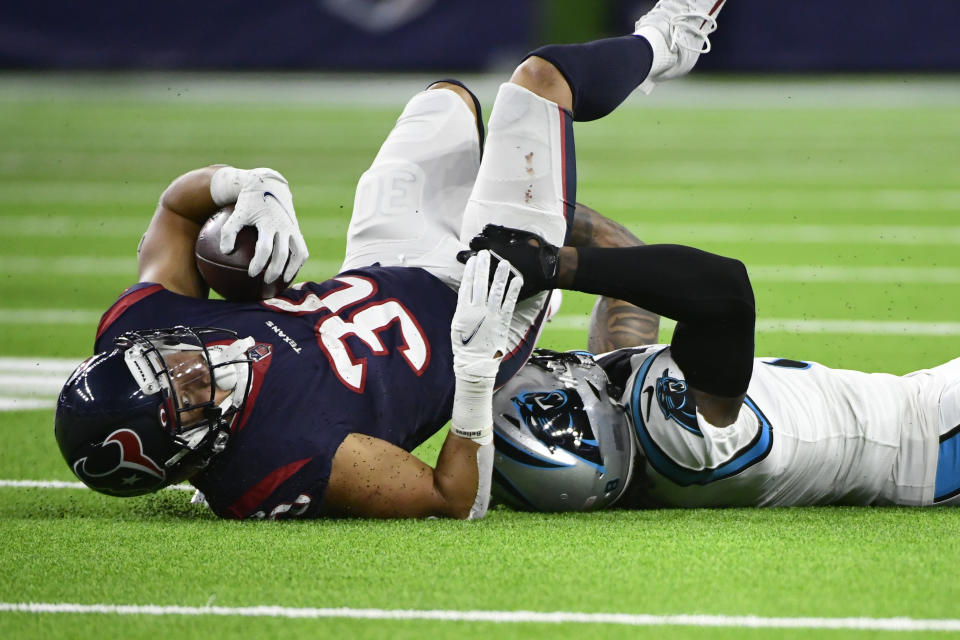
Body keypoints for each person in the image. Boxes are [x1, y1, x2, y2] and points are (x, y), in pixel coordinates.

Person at [53, 0, 728, 519]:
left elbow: (175, 211)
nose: (192, 359)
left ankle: (545, 220)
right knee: (538, 85)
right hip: (479, 301)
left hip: (381, 261)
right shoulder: (278, 462)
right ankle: (668, 42)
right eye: (187, 388)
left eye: (170, 359)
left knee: (446, 101)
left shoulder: (136, 333)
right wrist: (471, 374)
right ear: (187, 449)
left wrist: (243, 183)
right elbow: (449, 495)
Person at [463, 218, 960, 510]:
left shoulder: (629, 443)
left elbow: (627, 265)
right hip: (933, 436)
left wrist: (535, 213)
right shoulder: (681, 439)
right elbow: (725, 289)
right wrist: (553, 266)